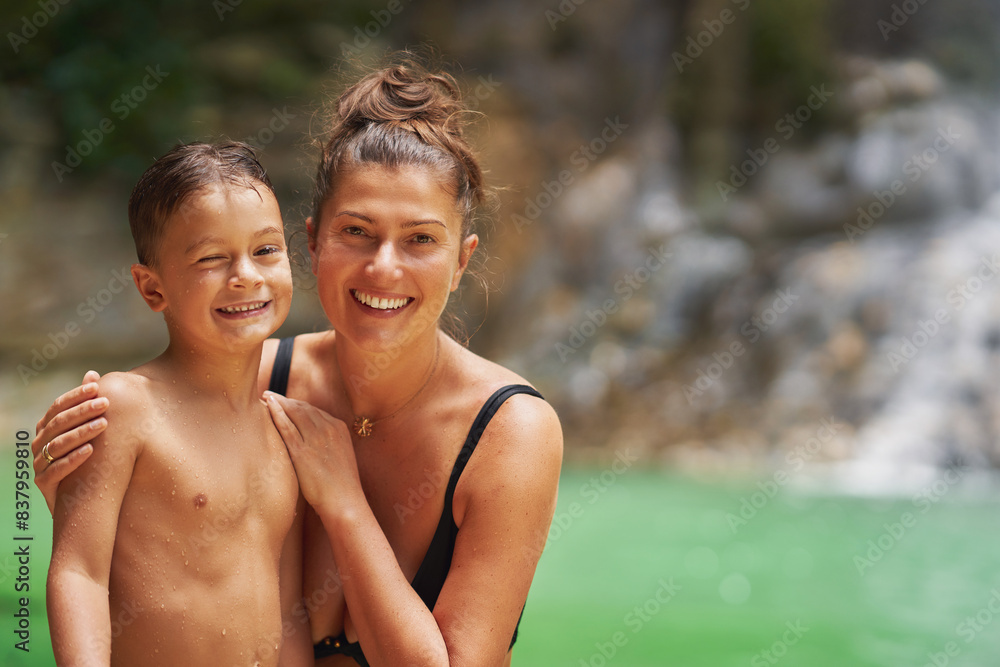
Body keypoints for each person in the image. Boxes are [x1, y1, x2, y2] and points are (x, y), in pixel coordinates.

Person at [34, 57, 563, 666]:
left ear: (462, 259)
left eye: (420, 239)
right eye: (357, 231)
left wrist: (343, 501)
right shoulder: (252, 384)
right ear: (312, 242)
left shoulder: (509, 432)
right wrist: (75, 493)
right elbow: (129, 557)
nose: (383, 267)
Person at [44, 142, 311, 666]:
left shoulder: (283, 427)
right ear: (152, 288)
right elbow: (79, 573)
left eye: (265, 250)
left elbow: (289, 610)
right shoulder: (125, 408)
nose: (245, 275)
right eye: (211, 258)